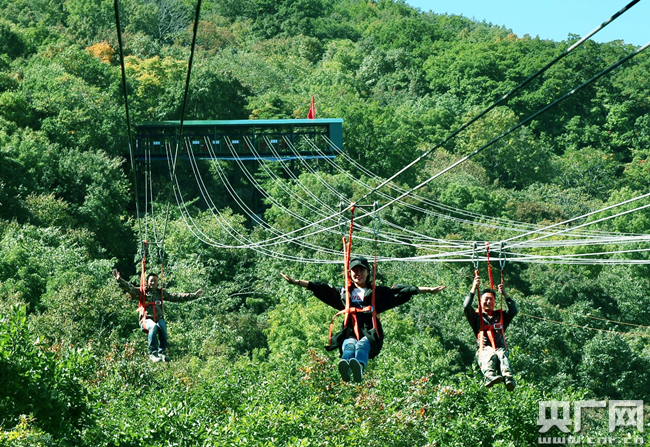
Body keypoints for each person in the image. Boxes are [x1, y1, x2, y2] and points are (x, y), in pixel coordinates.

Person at [281, 256, 445, 383]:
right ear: (350, 274)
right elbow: (320, 287)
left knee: (362, 345)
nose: (358, 274)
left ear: (368, 272)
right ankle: (345, 366)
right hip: (350, 329)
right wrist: (296, 282)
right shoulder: (344, 293)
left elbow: (401, 291)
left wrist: (428, 290)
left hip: (369, 330)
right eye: (354, 271)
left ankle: (359, 366)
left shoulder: (376, 293)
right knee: (349, 345)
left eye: (361, 270)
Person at [113, 269, 202, 362]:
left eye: (155, 280)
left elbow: (176, 296)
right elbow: (129, 288)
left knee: (162, 325)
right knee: (153, 327)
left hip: (158, 319)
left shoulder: (161, 293)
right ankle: (153, 353)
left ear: (158, 282)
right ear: (147, 282)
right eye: (151, 280)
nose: (153, 282)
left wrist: (193, 295)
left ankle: (162, 352)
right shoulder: (142, 292)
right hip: (146, 320)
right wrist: (120, 280)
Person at [464, 276, 518, 391]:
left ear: (494, 301)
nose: (488, 302)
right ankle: (489, 376)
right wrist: (474, 288)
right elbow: (466, 306)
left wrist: (505, 294)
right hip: (485, 349)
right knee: (490, 354)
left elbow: (513, 310)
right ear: (481, 301)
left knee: (502, 355)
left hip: (499, 348)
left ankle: (508, 377)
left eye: (491, 299)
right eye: (486, 299)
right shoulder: (476, 317)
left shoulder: (501, 316)